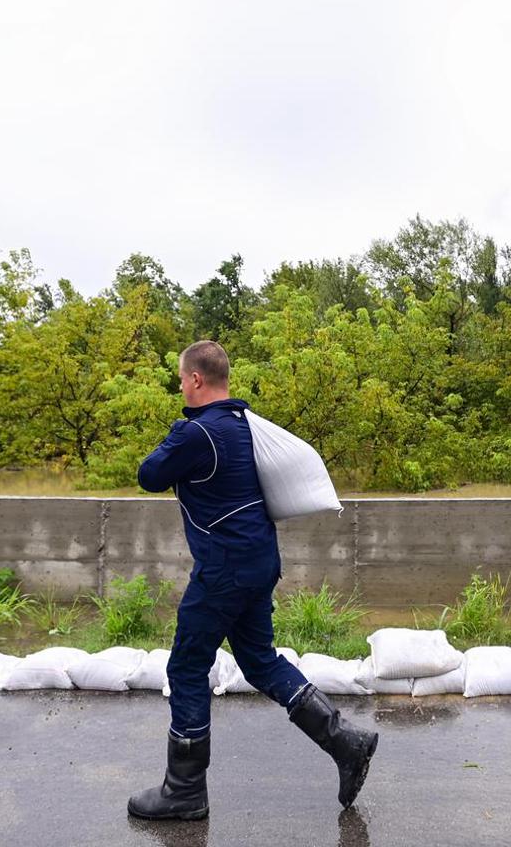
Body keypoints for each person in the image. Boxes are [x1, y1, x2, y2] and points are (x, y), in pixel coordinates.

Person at [126, 339, 380, 821]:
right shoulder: (243, 424)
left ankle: (183, 791)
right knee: (259, 660)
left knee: (185, 667)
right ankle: (346, 743)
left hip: (223, 568)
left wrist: (178, 430)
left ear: (196, 380)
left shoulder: (197, 433)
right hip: (260, 560)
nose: (180, 386)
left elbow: (149, 475)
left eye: (182, 379)